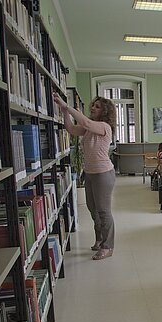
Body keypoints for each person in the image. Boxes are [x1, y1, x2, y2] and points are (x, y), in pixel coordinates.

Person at [53, 93, 116, 260]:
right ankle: (99, 240)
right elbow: (71, 129)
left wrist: (67, 106)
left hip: (103, 173)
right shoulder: (89, 128)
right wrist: (64, 111)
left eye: (97, 106)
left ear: (104, 111)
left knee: (103, 211)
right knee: (93, 210)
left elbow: (86, 122)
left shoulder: (103, 126)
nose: (93, 108)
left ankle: (108, 246)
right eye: (92, 106)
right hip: (89, 173)